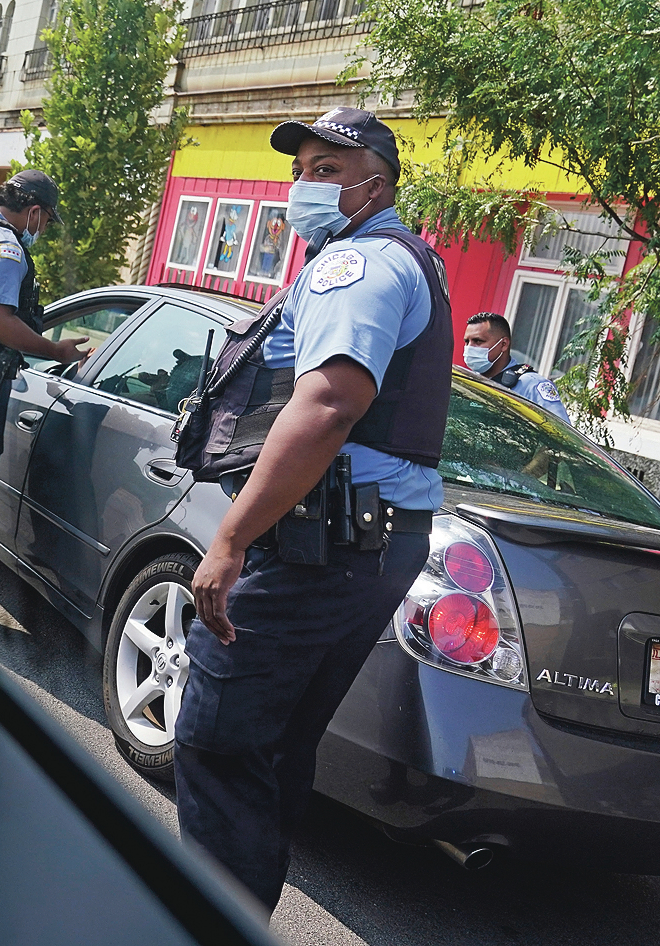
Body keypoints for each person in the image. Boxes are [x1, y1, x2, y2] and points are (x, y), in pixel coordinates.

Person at [174, 107, 451, 911]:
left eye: (328, 171)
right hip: (366, 541)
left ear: (377, 184)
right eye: (299, 171)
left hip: (319, 547)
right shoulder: (404, 257)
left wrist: (229, 539)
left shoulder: (356, 265)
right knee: (273, 744)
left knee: (219, 738)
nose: (306, 186)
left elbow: (328, 405)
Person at [0, 169, 88, 487]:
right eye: (48, 221)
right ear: (35, 212)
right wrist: (53, 350)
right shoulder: (4, 248)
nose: (44, 229)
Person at [463, 311, 572, 422]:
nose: (469, 347)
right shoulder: (466, 382)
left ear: (503, 344)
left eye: (478, 341)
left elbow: (561, 435)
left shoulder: (532, 385)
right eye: (467, 342)